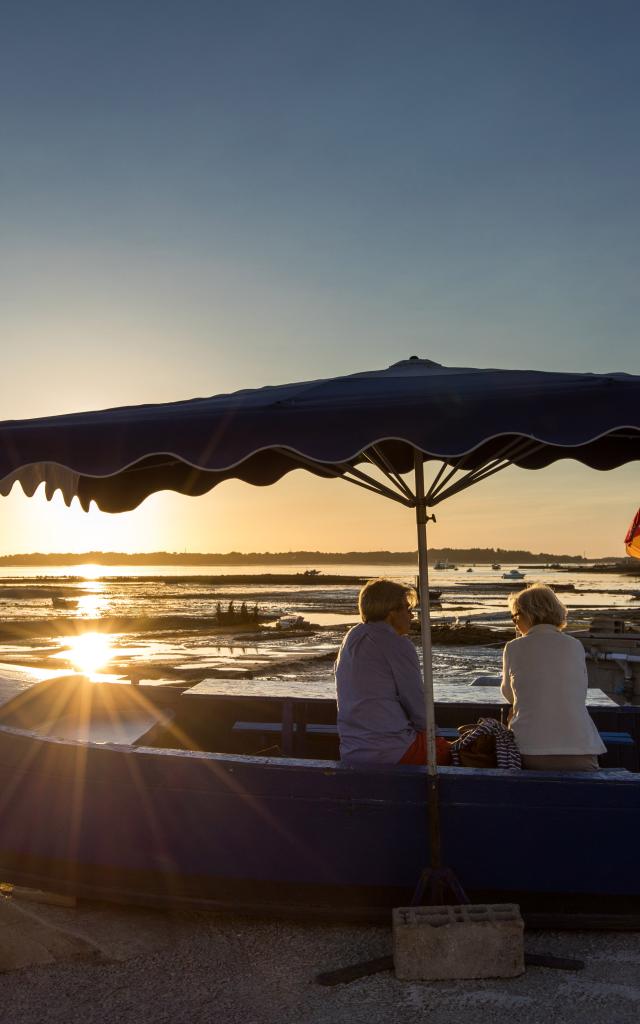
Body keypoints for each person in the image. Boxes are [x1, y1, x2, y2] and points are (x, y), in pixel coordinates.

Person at [501, 584, 605, 771]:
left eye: (515, 617)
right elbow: (578, 691)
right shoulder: (575, 645)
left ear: (528, 614)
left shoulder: (513, 647)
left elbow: (509, 693)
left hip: (530, 750)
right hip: (581, 750)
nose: (515, 623)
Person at [335, 577, 428, 765]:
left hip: (352, 750)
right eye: (408, 609)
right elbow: (416, 702)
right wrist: (434, 735)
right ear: (391, 612)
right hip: (394, 750)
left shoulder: (351, 638)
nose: (412, 616)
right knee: (465, 755)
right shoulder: (398, 644)